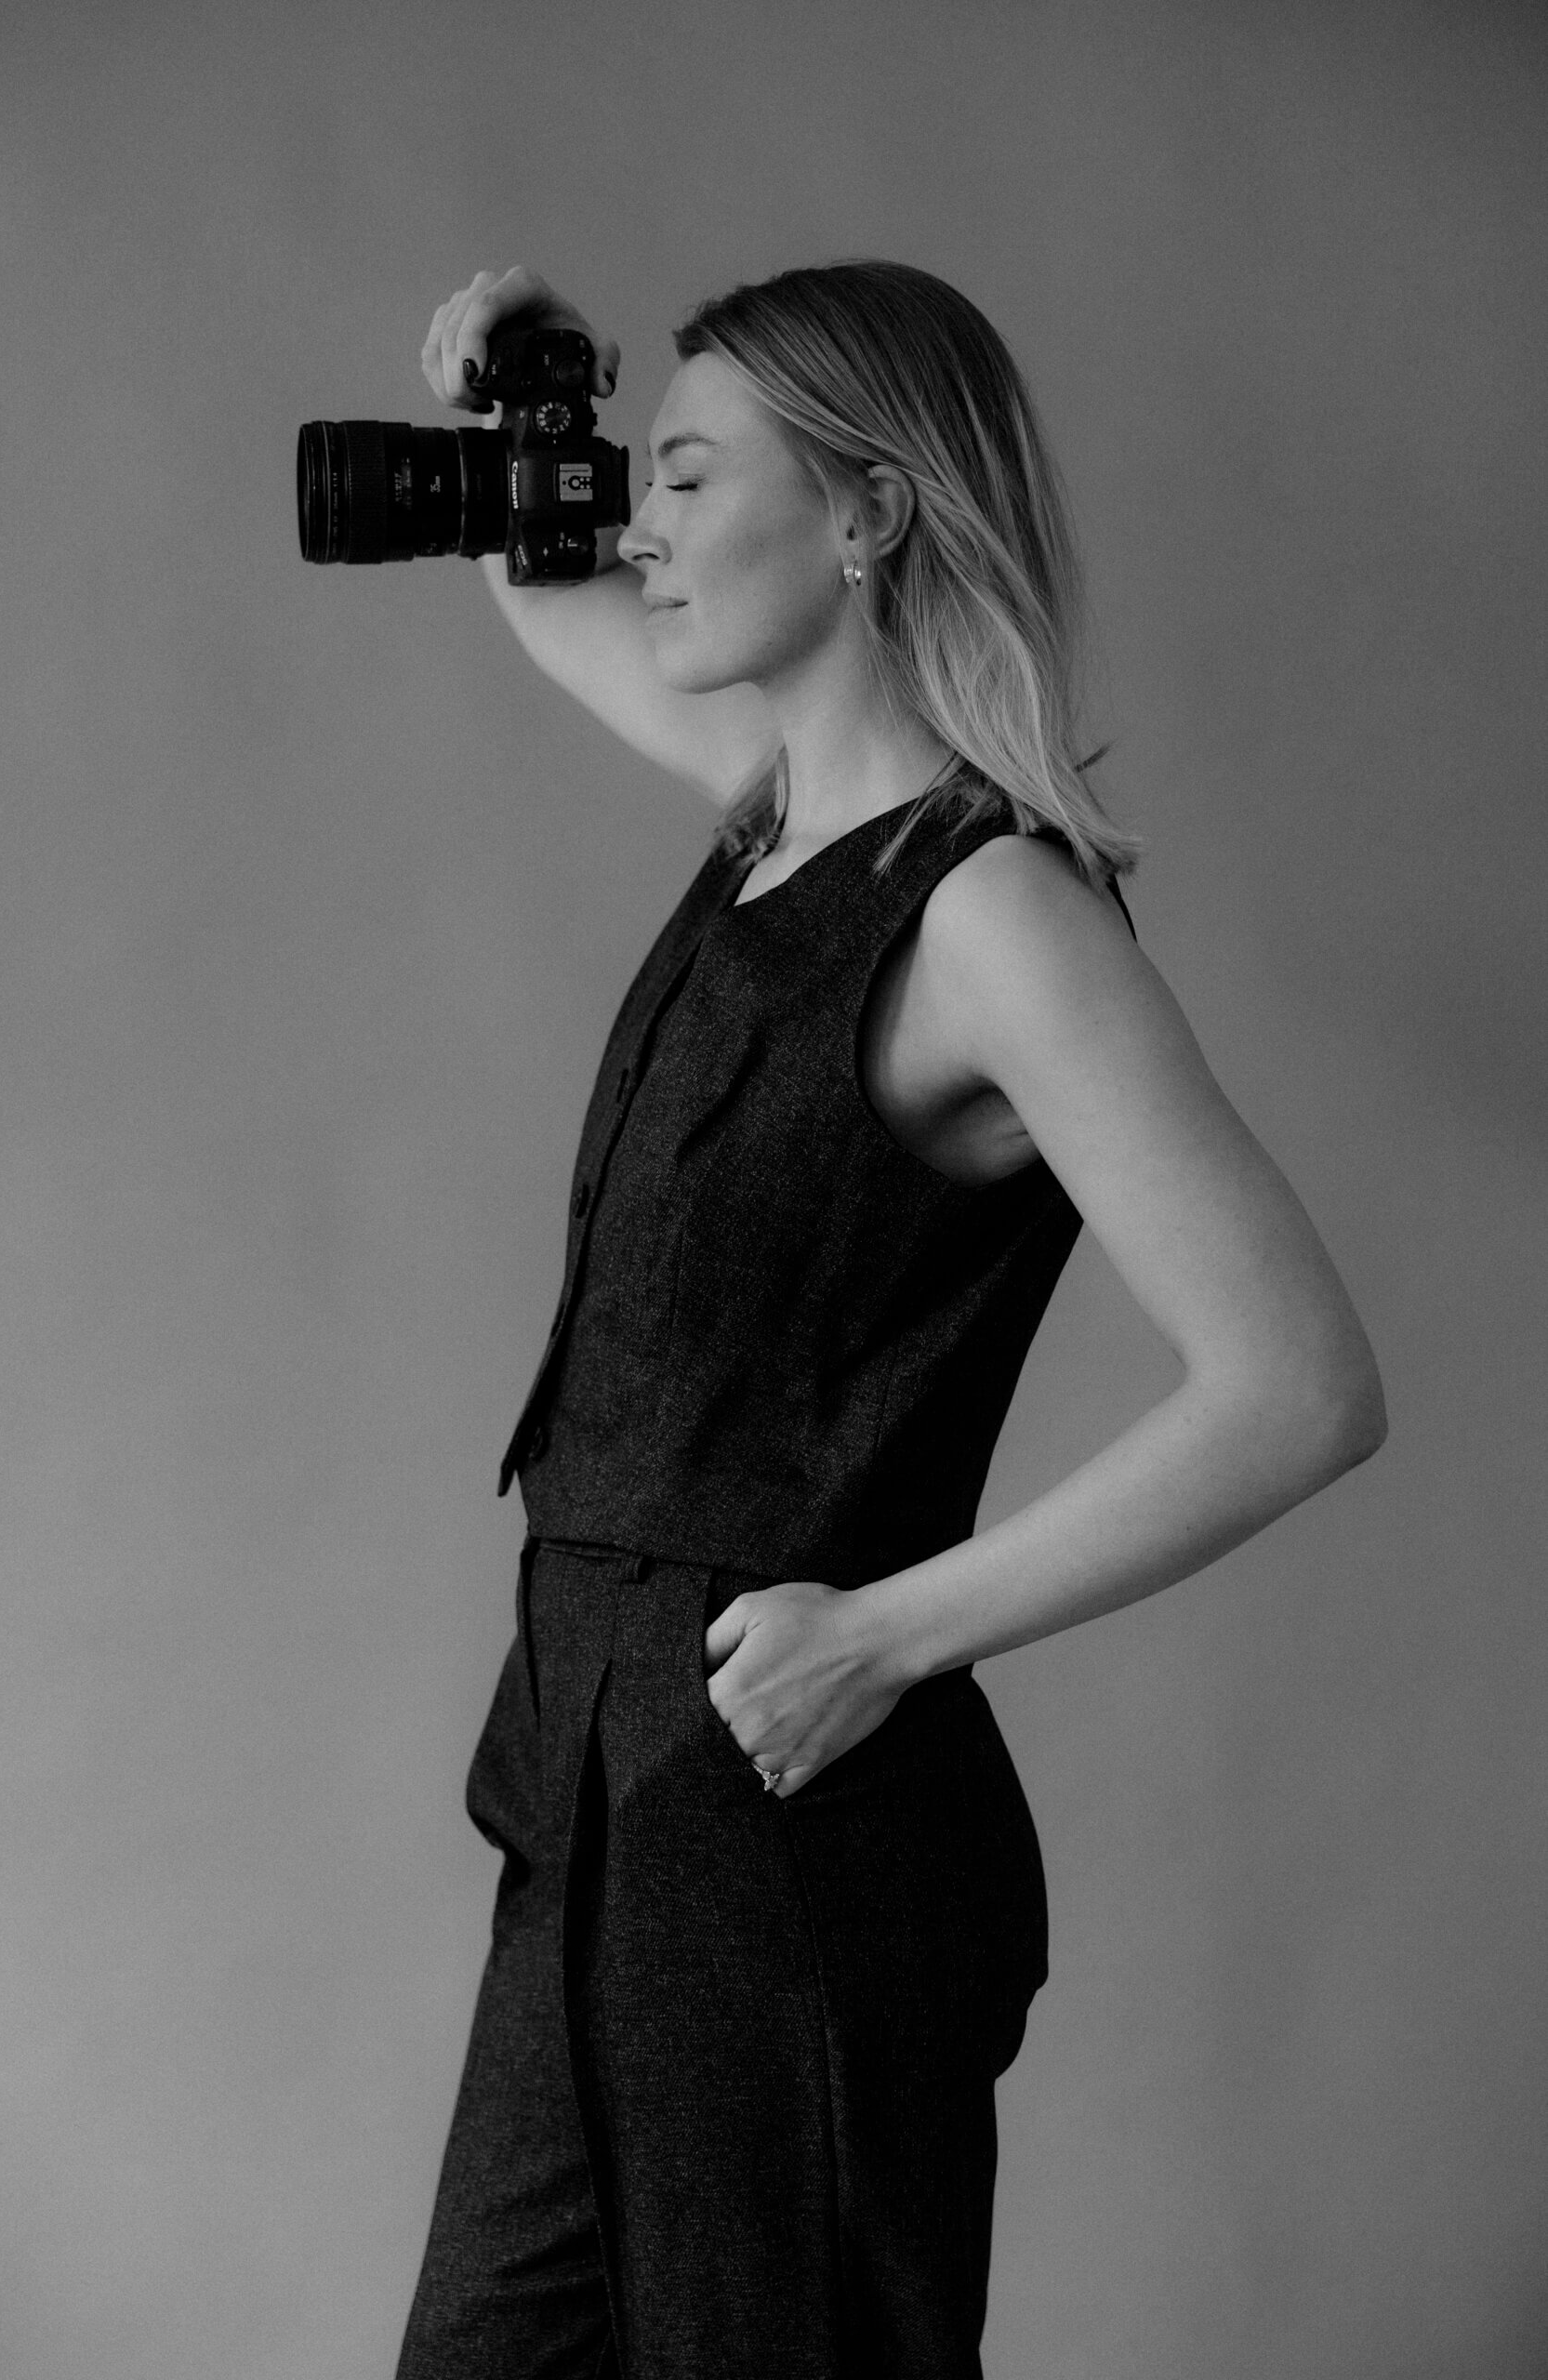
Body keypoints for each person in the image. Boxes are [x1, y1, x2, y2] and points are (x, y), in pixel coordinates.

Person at [395, 259, 1386, 2380]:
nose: (637, 528)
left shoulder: (992, 916)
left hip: (778, 1841)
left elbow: (1297, 1384)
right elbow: (551, 589)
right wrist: (524, 414)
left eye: (681, 475)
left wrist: (889, 1630)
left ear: (859, 516)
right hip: (588, 1793)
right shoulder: (773, 827)